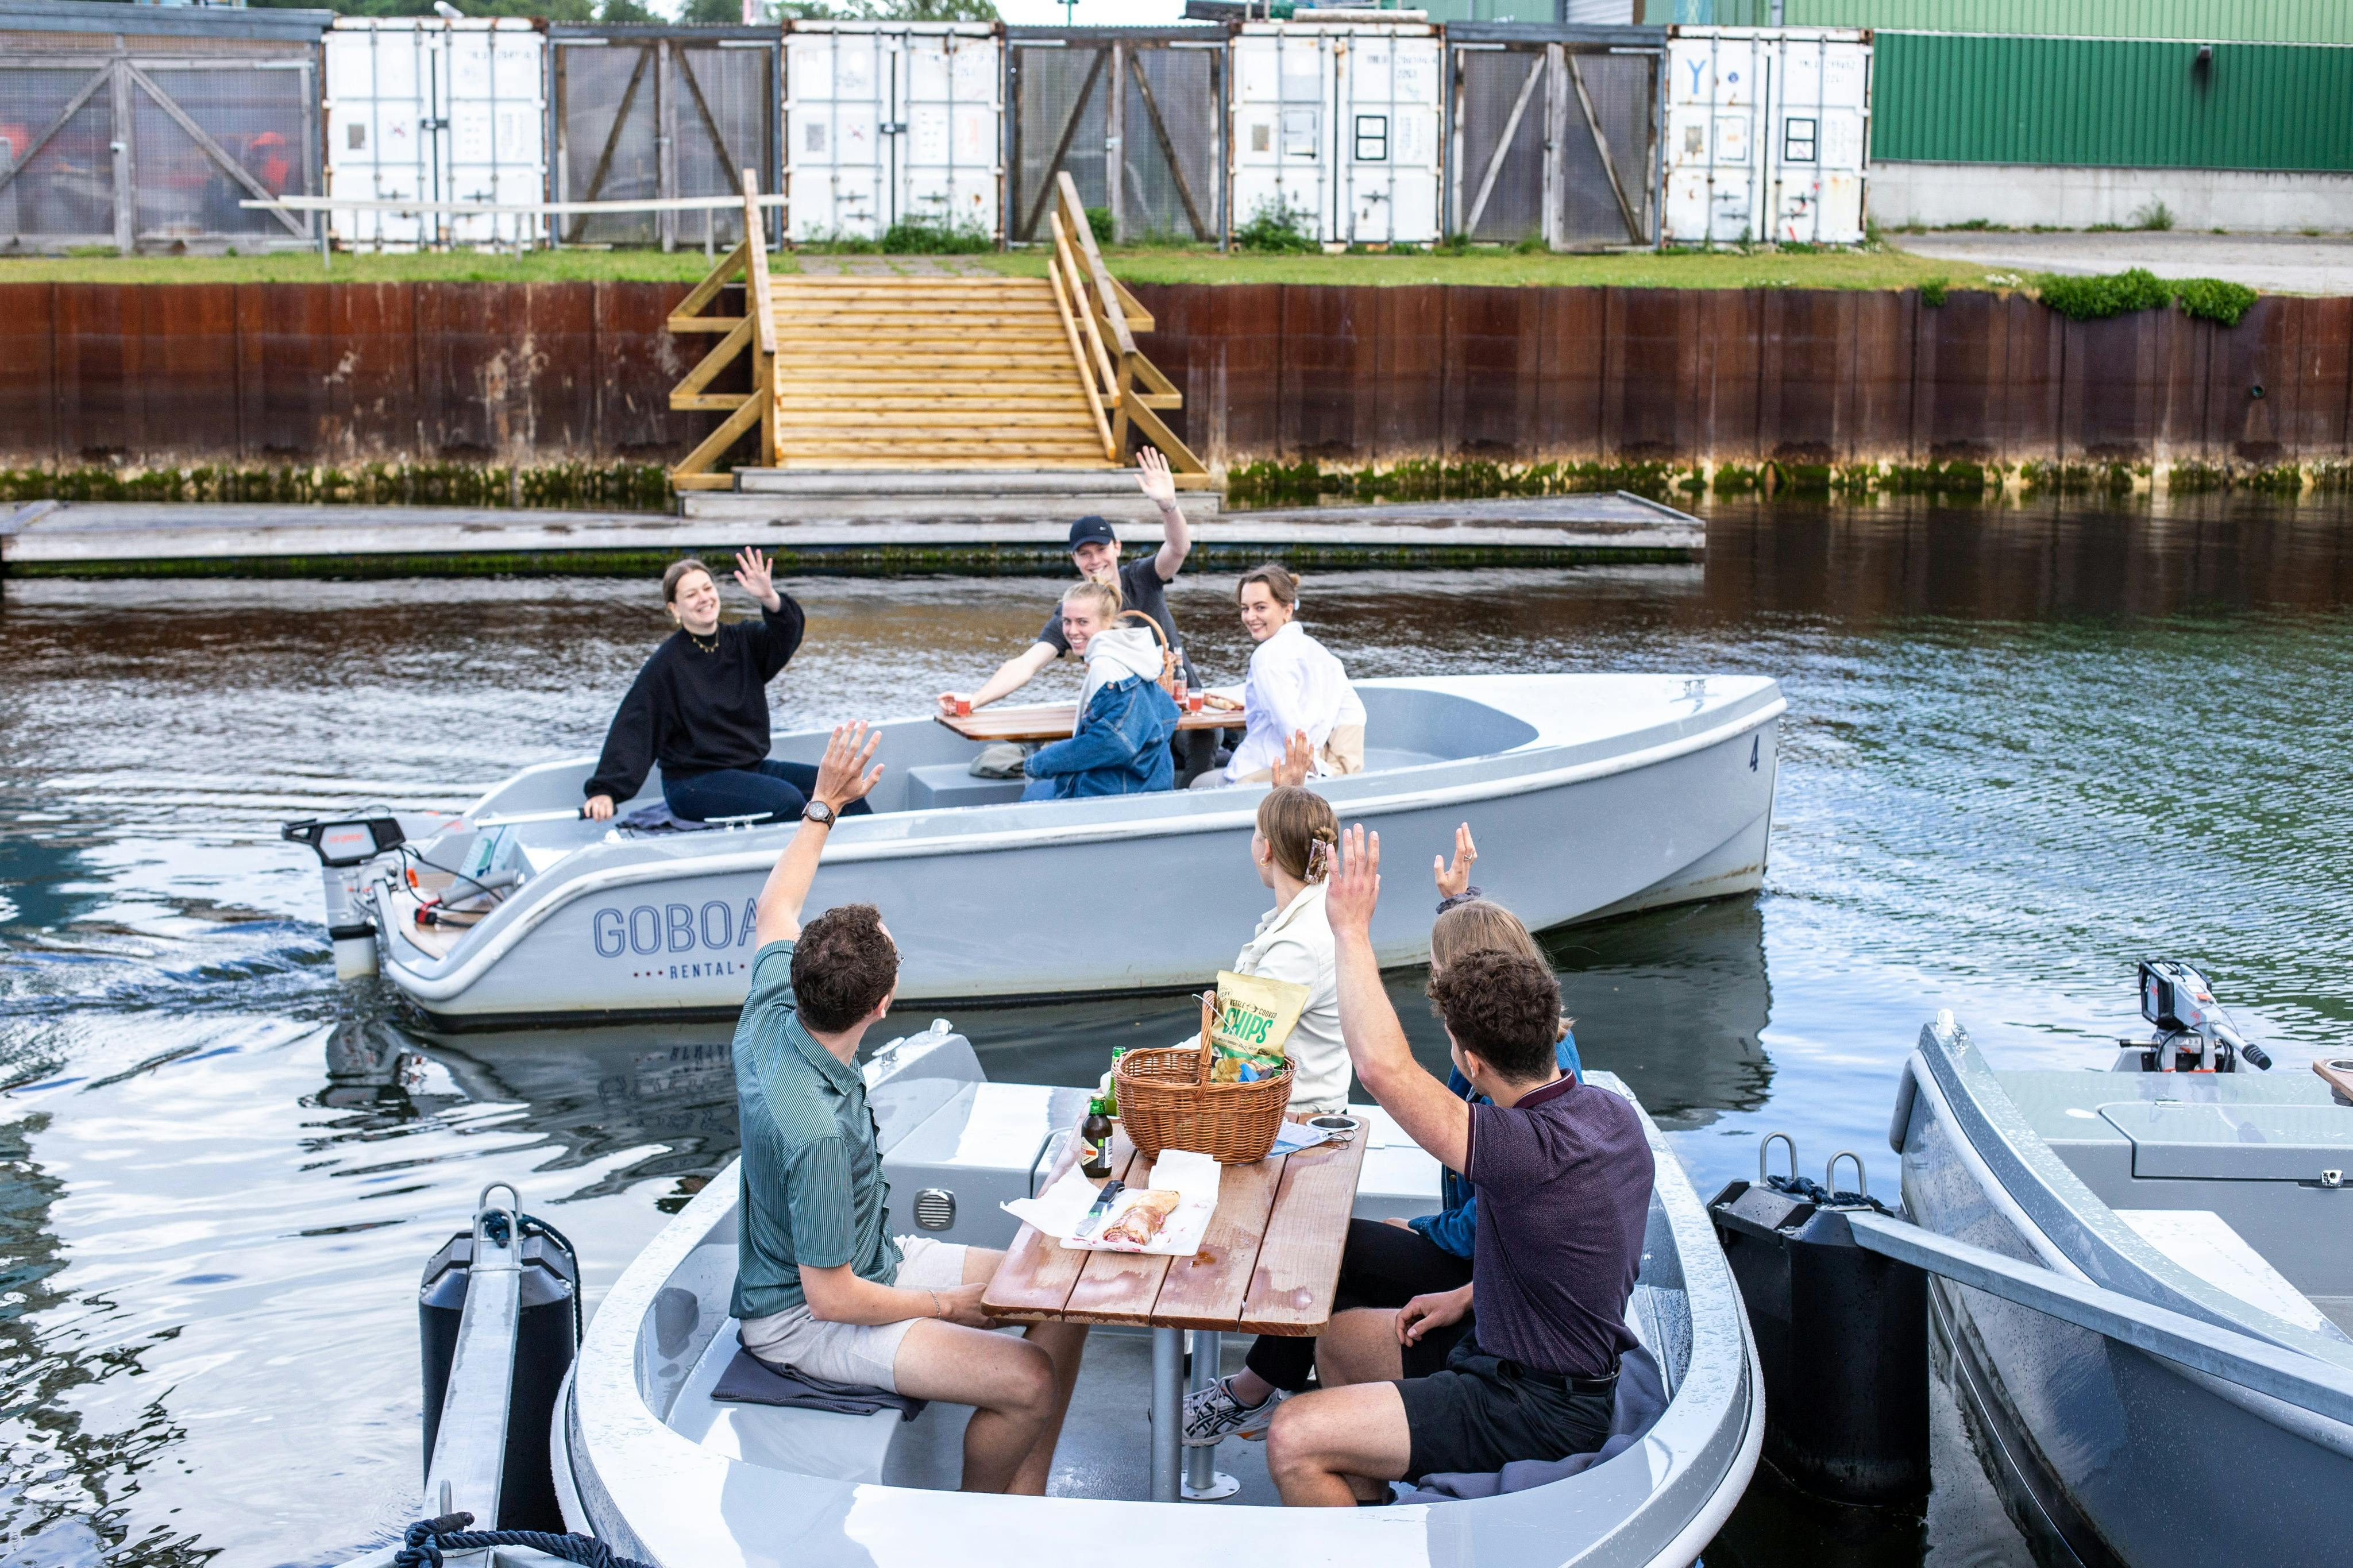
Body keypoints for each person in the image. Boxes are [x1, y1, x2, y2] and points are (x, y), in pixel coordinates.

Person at [729, 723, 1089, 1494]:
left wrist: (824, 802)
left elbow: (773, 904)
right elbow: (832, 1295)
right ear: (883, 1004)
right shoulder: (815, 1131)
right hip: (807, 1321)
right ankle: (980, 1518)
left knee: (1062, 1286)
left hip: (871, 1258)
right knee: (1027, 1378)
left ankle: (1028, 1494)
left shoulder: (771, 1005)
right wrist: (946, 1305)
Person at [1263, 824, 1654, 1505]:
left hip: (1535, 1405)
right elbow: (1561, 1254)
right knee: (1343, 1345)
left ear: (1472, 1064)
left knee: (1293, 1434)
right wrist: (1467, 1296)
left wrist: (1350, 932)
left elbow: (1383, 1069)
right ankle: (1374, 1518)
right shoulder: (1609, 1114)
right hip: (1510, 1351)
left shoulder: (1520, 1148)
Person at [1181, 828, 1580, 1448]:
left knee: (1331, 1255)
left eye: (1439, 974)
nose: (1435, 988)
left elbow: (1489, 1214)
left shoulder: (1508, 1085)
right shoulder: (1535, 1040)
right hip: (1486, 1260)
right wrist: (1457, 899)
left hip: (1485, 1271)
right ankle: (1276, 1389)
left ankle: (1258, 1393)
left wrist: (1422, 1231)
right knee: (1335, 1251)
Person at [937, 450, 1211, 779]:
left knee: (1205, 739)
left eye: (1101, 550)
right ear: (1075, 560)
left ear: (1117, 548)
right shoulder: (1074, 611)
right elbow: (1027, 663)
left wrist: (1168, 505)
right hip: (1133, 720)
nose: (1095, 560)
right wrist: (975, 699)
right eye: (1085, 554)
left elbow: (1179, 548)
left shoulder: (1143, 577)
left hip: (1183, 709)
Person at [583, 551, 866, 826]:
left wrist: (770, 598)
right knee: (789, 801)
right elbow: (635, 726)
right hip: (693, 782)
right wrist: (605, 790)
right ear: (674, 609)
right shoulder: (666, 665)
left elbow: (788, 634)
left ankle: (867, 862)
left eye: (707, 588)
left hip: (751, 769)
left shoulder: (744, 641)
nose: (703, 598)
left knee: (844, 790)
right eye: (691, 594)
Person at [1193, 563, 1365, 789]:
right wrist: (1335, 770)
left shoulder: (1266, 657)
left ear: (1287, 610)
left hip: (1269, 769)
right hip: (1317, 768)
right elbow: (1354, 712)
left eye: (1260, 608)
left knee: (1197, 783)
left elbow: (1288, 722)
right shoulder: (1322, 654)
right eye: (1245, 608)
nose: (1250, 617)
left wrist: (1309, 769)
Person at [1020, 581, 1182, 801]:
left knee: (1032, 795)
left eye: (1083, 622)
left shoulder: (1107, 666)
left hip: (1119, 790)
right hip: (1152, 781)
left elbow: (1111, 742)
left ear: (1107, 622)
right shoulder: (1135, 659)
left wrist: (1039, 763)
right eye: (1067, 622)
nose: (1072, 631)